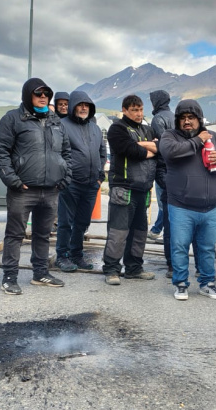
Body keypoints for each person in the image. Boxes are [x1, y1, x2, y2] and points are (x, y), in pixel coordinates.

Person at [0, 78, 71, 294]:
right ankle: (9, 276)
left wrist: (64, 178)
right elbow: (0, 153)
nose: (43, 97)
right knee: (15, 234)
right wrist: (13, 181)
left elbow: (67, 153)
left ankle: (40, 273)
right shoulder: (12, 119)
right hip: (23, 190)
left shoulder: (56, 121)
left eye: (46, 93)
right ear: (28, 95)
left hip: (51, 190)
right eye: (38, 93)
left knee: (43, 234)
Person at [159, 99, 216, 301]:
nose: (186, 121)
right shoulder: (169, 136)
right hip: (180, 206)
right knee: (180, 246)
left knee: (208, 248)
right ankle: (181, 284)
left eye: (191, 117)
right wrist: (198, 141)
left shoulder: (214, 137)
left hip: (209, 207)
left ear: (199, 119)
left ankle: (207, 284)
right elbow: (171, 152)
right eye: (182, 118)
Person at [102, 95, 161, 285]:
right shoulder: (117, 128)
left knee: (139, 232)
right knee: (118, 232)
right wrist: (148, 149)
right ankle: (111, 269)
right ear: (125, 110)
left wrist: (146, 146)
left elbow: (161, 149)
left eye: (141, 109)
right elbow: (130, 150)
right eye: (134, 110)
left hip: (143, 189)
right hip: (123, 187)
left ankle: (134, 268)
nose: (138, 113)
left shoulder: (147, 128)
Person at [54, 91, 107, 272]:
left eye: (87, 105)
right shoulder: (62, 125)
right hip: (71, 183)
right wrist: (65, 177)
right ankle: (62, 256)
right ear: (72, 106)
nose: (84, 108)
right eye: (80, 104)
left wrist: (100, 178)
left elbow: (102, 153)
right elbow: (57, 153)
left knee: (82, 222)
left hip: (91, 183)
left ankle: (76, 255)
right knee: (65, 222)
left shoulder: (95, 128)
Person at [148, 90, 174, 247]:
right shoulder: (175, 116)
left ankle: (163, 236)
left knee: (164, 204)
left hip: (163, 167)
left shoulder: (158, 119)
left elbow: (163, 144)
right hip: (177, 168)